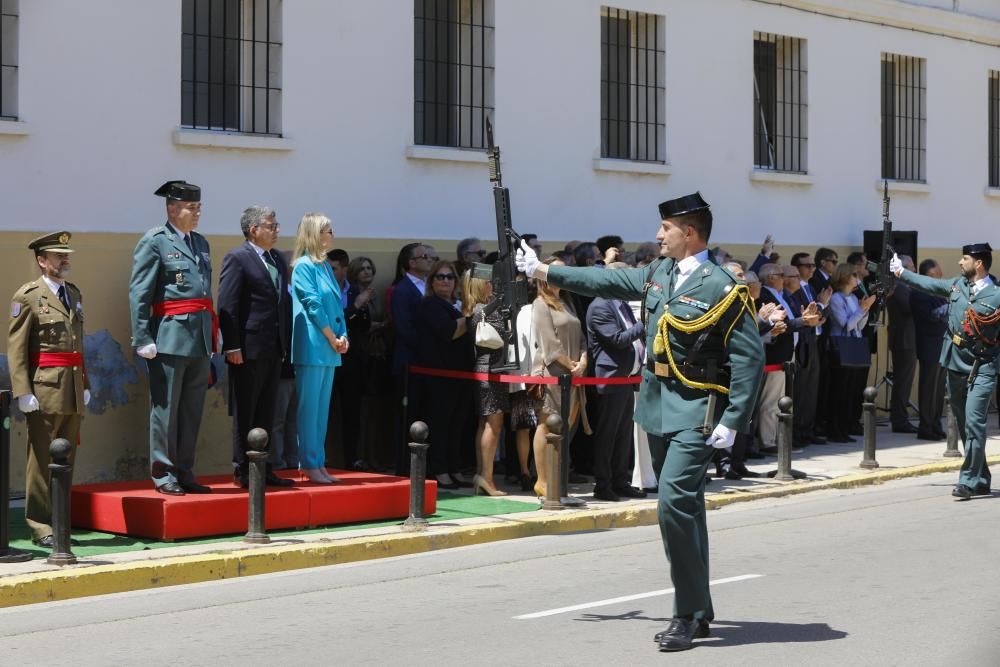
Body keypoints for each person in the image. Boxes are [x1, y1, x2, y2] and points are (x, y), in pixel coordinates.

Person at [517, 192, 764, 652]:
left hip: (696, 409)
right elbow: (604, 282)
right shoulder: (658, 272)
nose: (657, 235)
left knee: (672, 503)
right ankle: (699, 606)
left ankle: (687, 613)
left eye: (666, 228)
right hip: (656, 405)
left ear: (689, 233)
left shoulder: (721, 287)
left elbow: (749, 358)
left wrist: (735, 419)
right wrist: (544, 271)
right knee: (686, 509)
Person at [890, 244, 1000, 499]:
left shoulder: (996, 295)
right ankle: (982, 477)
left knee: (975, 422)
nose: (960, 263)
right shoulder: (956, 286)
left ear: (979, 264)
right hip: (955, 362)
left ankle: (969, 481)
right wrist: (900, 273)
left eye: (965, 258)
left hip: (983, 365)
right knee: (964, 424)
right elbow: (926, 285)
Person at [129, 180, 215, 496]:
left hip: (199, 338)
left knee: (191, 409)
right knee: (165, 409)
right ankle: (164, 472)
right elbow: (140, 291)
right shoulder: (155, 242)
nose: (197, 213)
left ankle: (185, 470)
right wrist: (142, 336)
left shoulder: (201, 243)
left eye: (198, 207)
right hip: (169, 335)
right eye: (191, 208)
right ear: (172, 208)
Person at [8, 232, 90, 547]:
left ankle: (61, 523)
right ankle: (41, 526)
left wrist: (86, 383)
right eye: (58, 255)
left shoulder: (74, 293)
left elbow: (78, 344)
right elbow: (16, 348)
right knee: (42, 460)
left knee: (66, 458)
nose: (64, 259)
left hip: (71, 388)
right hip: (44, 388)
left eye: (66, 254)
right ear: (42, 260)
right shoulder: (27, 296)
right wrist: (22, 391)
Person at [217, 205, 294, 489]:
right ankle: (242, 469)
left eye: (276, 225)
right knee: (246, 409)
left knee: (267, 409)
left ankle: (264, 466)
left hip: (273, 347)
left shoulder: (277, 259)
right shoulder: (238, 258)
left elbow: (282, 304)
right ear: (254, 230)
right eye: (271, 226)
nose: (276, 231)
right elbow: (227, 304)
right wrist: (232, 346)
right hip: (247, 348)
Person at [290, 213, 349, 484]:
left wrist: (343, 335)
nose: (332, 234)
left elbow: (336, 306)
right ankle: (308, 462)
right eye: (327, 230)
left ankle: (318, 461)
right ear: (314, 234)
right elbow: (313, 305)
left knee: (322, 410)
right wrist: (331, 337)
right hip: (314, 344)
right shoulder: (303, 266)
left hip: (330, 346)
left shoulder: (324, 265)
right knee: (309, 408)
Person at [586, 262, 647, 501]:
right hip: (610, 379)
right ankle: (603, 484)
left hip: (626, 378)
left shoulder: (619, 303)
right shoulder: (600, 306)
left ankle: (621, 480)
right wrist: (644, 324)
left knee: (623, 434)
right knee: (608, 434)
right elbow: (618, 339)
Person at [529, 257, 590, 498]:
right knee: (547, 426)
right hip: (554, 374)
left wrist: (583, 361)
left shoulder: (567, 302)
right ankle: (542, 480)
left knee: (565, 429)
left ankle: (556, 479)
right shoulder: (540, 304)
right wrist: (571, 364)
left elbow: (582, 337)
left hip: (574, 375)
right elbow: (549, 345)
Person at [414, 261, 471, 490]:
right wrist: (470, 317)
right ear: (432, 281)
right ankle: (439, 469)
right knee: (441, 423)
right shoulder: (430, 305)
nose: (445, 280)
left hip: (460, 374)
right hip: (438, 375)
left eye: (449, 277)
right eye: (439, 277)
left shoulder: (457, 305)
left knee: (457, 424)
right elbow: (449, 332)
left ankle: (454, 466)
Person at [464, 272, 510, 496]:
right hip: (489, 369)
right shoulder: (480, 309)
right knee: (493, 422)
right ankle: (487, 477)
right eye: (489, 282)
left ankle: (483, 473)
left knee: (486, 422)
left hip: (489, 368)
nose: (493, 284)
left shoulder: (483, 309)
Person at [826, 263, 876, 443]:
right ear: (845, 277)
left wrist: (865, 310)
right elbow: (845, 324)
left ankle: (846, 426)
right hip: (840, 345)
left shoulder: (854, 298)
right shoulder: (836, 299)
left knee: (851, 389)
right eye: (854, 274)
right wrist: (862, 310)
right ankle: (835, 429)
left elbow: (859, 325)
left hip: (854, 342)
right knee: (839, 389)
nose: (857, 277)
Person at [910, 258, 948, 440]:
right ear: (927, 276)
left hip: (942, 343)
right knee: (928, 388)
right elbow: (928, 316)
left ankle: (936, 423)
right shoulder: (920, 292)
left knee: (939, 388)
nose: (940, 278)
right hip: (929, 344)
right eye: (937, 275)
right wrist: (949, 307)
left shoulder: (937, 292)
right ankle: (925, 427)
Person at [886, 255, 917, 433]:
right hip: (904, 340)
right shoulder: (900, 287)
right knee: (902, 381)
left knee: (904, 381)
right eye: (911, 267)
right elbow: (910, 309)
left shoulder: (902, 287)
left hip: (906, 338)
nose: (914, 271)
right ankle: (899, 420)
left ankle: (900, 418)